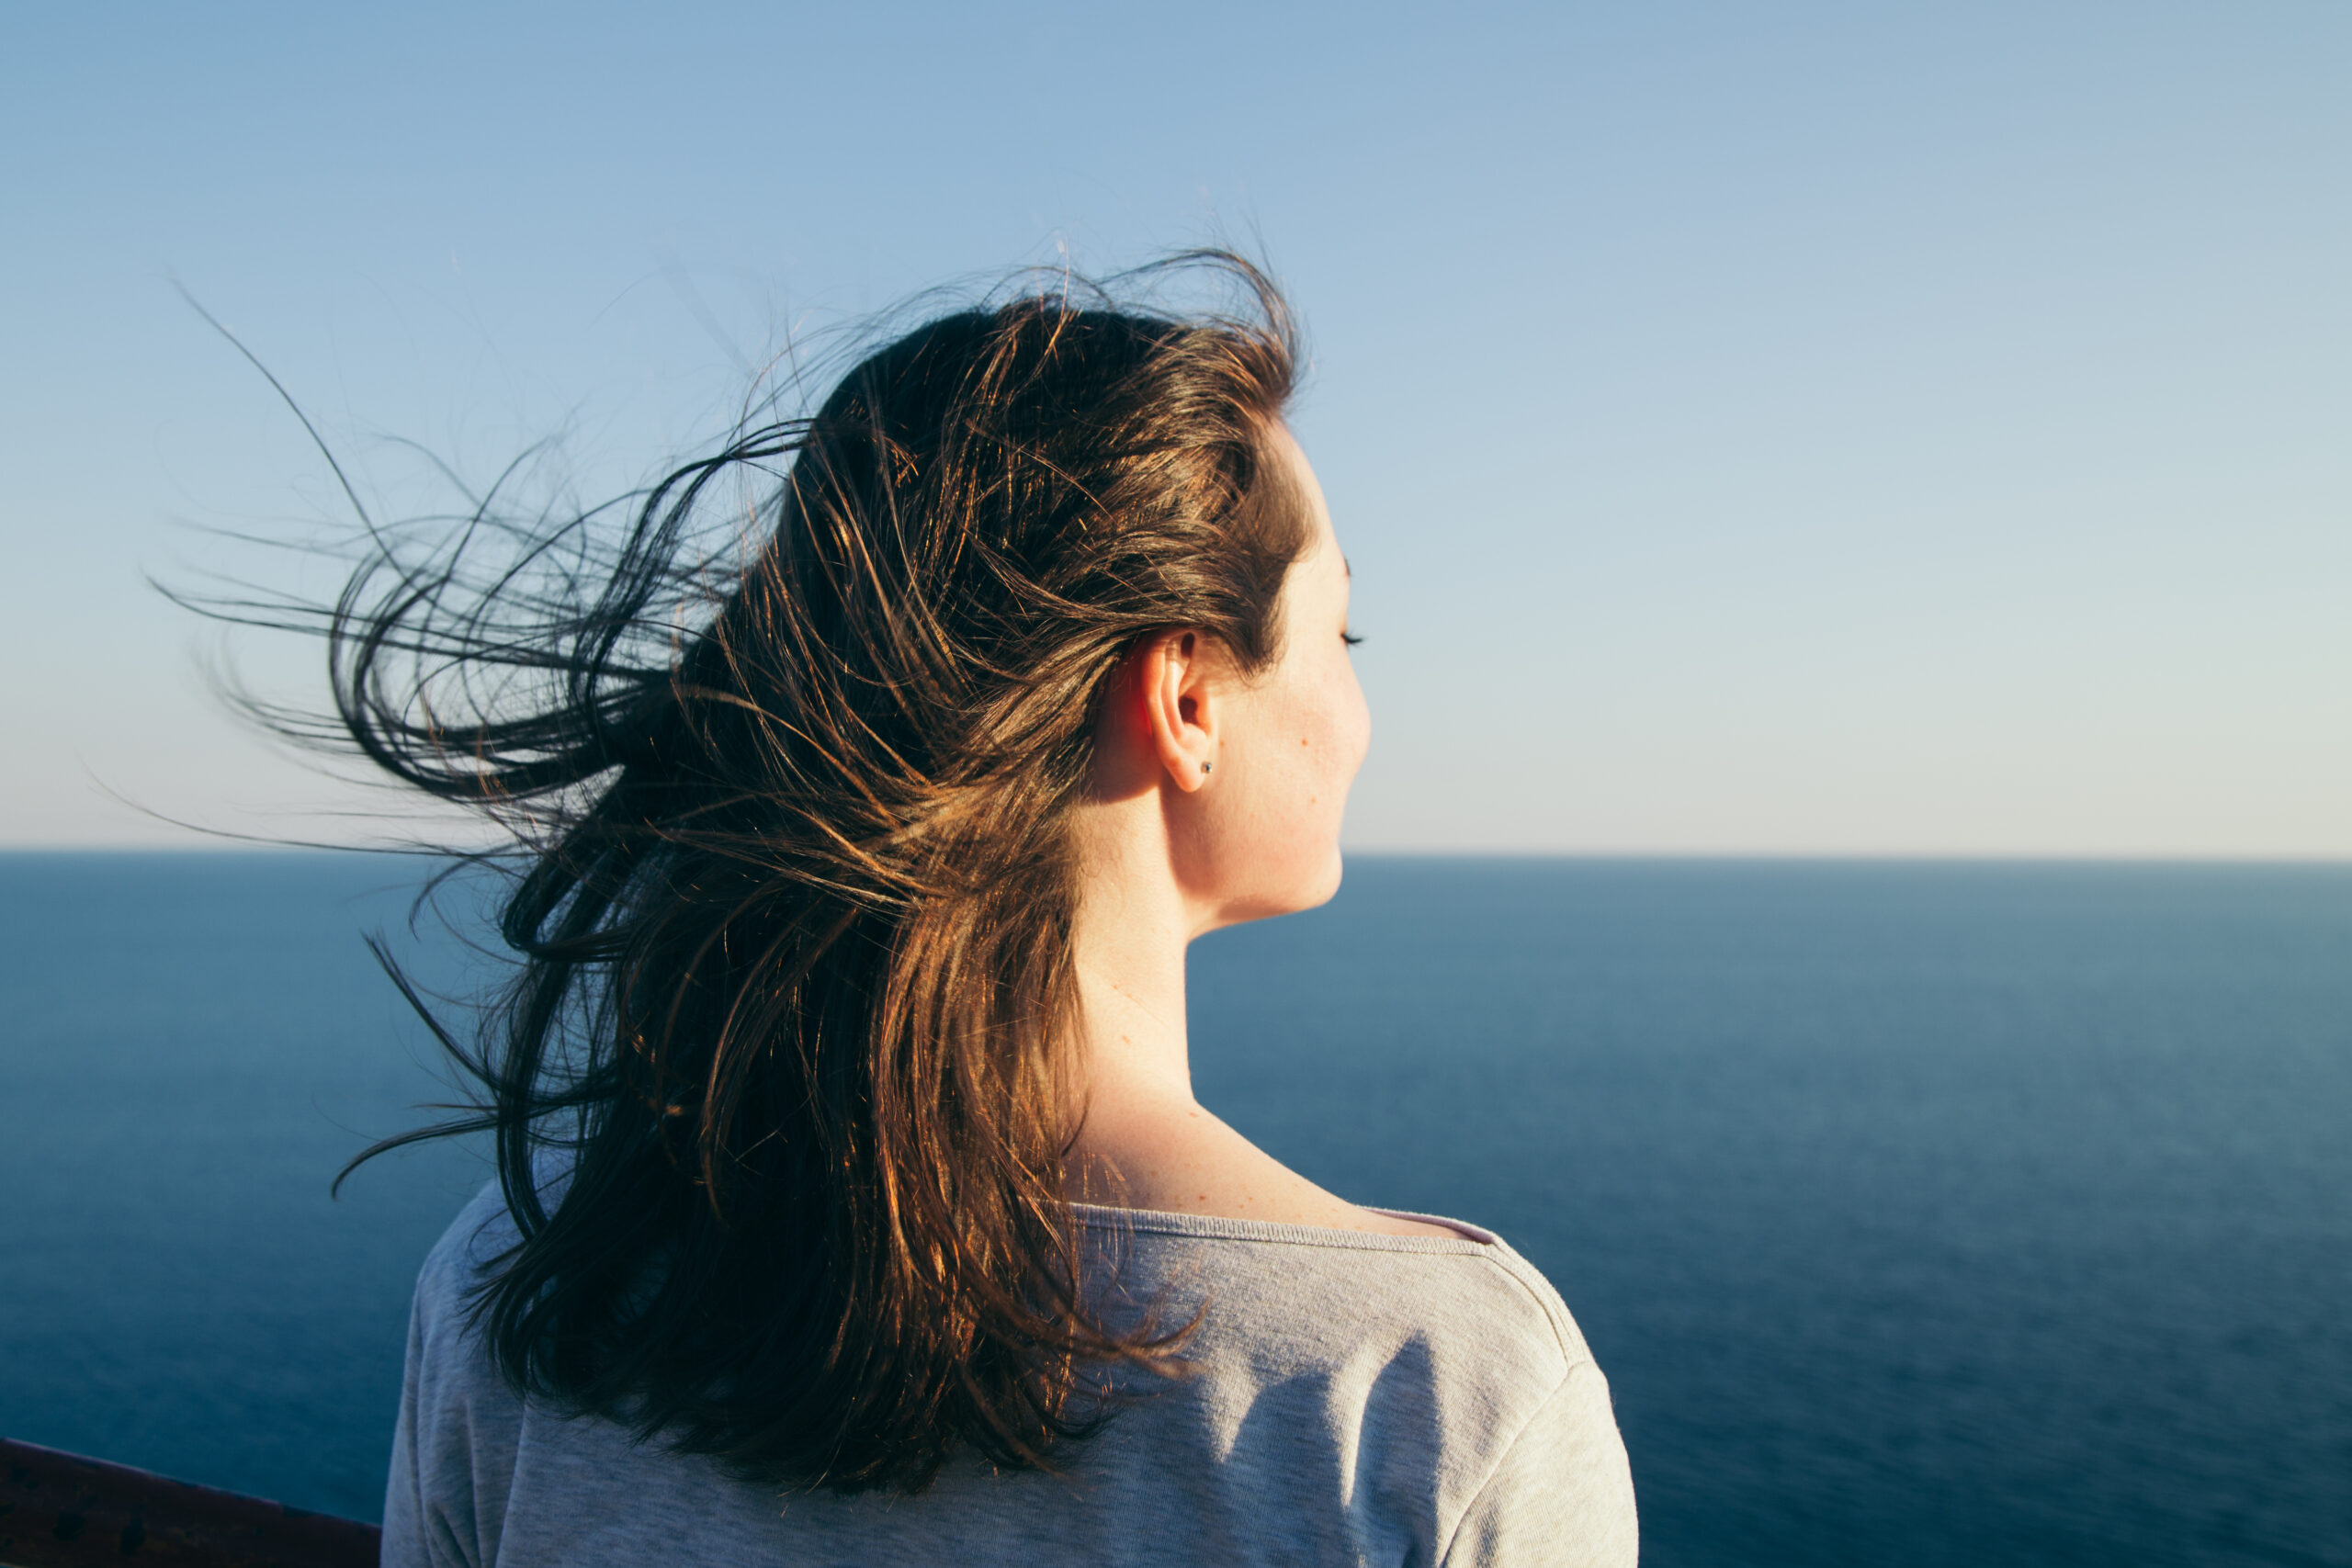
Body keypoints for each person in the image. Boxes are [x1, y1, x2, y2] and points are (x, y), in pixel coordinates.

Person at [344, 253, 1635, 1565]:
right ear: (1186, 695)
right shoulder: (1431, 1400)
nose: (1358, 711)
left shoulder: (535, 1283)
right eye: (1339, 638)